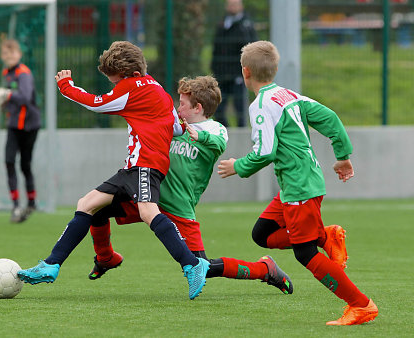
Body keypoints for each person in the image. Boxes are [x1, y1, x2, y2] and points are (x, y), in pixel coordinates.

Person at [17, 41, 210, 300]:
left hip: (146, 164)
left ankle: (191, 264)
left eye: (115, 81)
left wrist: (66, 86)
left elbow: (97, 103)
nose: (115, 87)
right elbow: (175, 127)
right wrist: (177, 128)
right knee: (87, 204)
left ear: (133, 75)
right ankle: (51, 265)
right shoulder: (159, 90)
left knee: (148, 211)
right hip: (134, 166)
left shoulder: (132, 87)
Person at [217, 41, 378, 325]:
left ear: (245, 72)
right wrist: (342, 156)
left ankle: (360, 304)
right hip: (299, 184)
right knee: (262, 234)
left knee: (305, 254)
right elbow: (329, 118)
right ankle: (325, 236)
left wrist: (237, 166)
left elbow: (265, 150)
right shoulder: (288, 95)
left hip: (299, 187)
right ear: (275, 68)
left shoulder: (261, 105)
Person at [87, 75, 293, 295]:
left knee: (201, 266)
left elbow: (218, 142)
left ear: (198, 107)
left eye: (182, 104)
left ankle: (264, 269)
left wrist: (200, 136)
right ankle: (105, 257)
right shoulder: (173, 123)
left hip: (179, 206)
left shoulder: (215, 129)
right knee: (96, 211)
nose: (177, 108)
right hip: (148, 196)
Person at [0, 39, 41, 223]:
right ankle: (16, 205)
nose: (8, 56)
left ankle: (32, 202)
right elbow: (12, 97)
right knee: (9, 161)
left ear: (19, 54)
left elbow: (25, 97)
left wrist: (6, 94)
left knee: (25, 164)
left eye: (12, 53)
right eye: (5, 53)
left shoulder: (24, 73)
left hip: (29, 125)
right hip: (13, 125)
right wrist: (5, 103)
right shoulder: (7, 73)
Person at [211, 0, 257, 128]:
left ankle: (241, 134)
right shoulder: (222, 24)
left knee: (240, 108)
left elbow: (251, 47)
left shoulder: (246, 26)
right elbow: (216, 47)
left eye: (235, 4)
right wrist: (215, 67)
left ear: (241, 6)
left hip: (239, 73)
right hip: (221, 72)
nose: (232, 7)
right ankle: (225, 133)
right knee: (218, 108)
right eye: (230, 4)